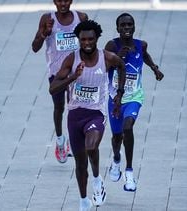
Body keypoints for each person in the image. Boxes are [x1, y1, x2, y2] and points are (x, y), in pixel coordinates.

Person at [49, 20, 126, 211]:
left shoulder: (107, 58)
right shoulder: (71, 60)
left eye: (91, 39)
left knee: (91, 146)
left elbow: (122, 66)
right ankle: (84, 200)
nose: (87, 43)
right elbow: (52, 89)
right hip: (75, 116)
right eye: (83, 40)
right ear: (78, 40)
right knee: (80, 164)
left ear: (97, 38)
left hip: (96, 114)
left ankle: (98, 180)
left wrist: (119, 94)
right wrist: (73, 77)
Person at [105, 13, 164, 192]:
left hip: (134, 97)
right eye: (123, 25)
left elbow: (144, 56)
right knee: (117, 137)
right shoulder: (112, 45)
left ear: (134, 26)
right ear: (117, 29)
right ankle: (116, 159)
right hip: (114, 99)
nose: (127, 28)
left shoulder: (140, 45)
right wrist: (118, 57)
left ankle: (129, 172)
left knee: (128, 127)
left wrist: (155, 68)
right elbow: (103, 67)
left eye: (130, 25)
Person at [31, 0, 88, 163]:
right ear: (54, 1)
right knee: (59, 107)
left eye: (66, 0)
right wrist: (44, 33)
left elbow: (89, 43)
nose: (63, 3)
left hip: (76, 73)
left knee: (75, 107)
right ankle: (60, 140)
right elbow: (35, 47)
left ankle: (73, 140)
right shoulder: (47, 19)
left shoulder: (81, 18)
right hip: (56, 74)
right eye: (59, 0)